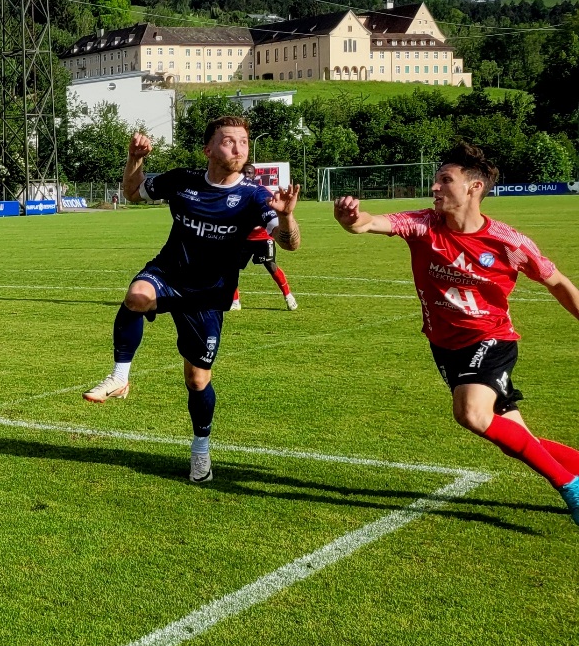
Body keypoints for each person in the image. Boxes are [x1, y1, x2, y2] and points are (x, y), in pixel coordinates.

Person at [335, 142, 579, 525]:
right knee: (516, 438)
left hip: (490, 339)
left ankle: (570, 487)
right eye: (435, 180)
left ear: (474, 187)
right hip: (445, 347)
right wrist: (350, 219)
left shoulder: (508, 242)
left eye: (445, 180)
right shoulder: (422, 225)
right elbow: (368, 223)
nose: (434, 187)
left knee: (471, 413)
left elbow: (558, 282)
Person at [81, 115, 302, 482]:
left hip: (208, 296)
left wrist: (288, 217)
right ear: (208, 149)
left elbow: (289, 243)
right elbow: (133, 192)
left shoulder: (255, 196)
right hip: (168, 275)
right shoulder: (183, 180)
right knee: (137, 296)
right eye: (229, 141)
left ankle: (201, 449)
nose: (238, 148)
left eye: (243, 142)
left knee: (197, 380)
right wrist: (135, 158)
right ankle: (119, 377)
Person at [229, 224, 298, 311]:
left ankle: (288, 296)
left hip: (265, 237)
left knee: (271, 266)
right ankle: (235, 302)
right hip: (245, 239)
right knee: (232, 269)